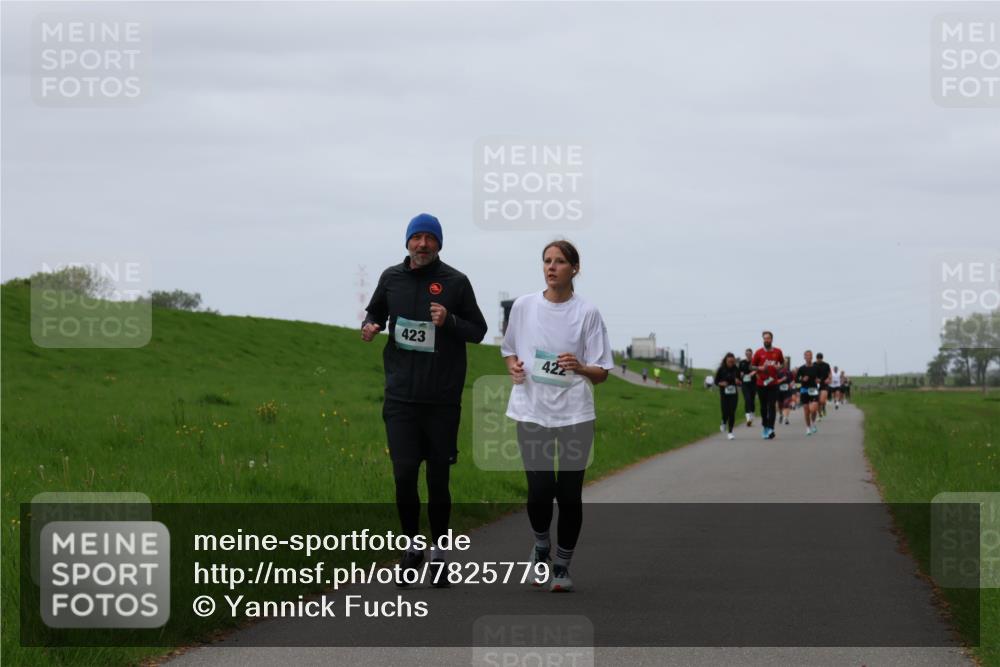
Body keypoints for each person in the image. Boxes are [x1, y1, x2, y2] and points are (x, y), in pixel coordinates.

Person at [362, 213, 488, 587]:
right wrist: (370, 325)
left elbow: (479, 330)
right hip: (400, 397)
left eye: (429, 238)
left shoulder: (456, 282)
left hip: (441, 399)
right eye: (416, 238)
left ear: (439, 244)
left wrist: (450, 320)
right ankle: (412, 547)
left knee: (437, 480)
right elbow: (376, 311)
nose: (422, 244)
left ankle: (439, 555)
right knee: (403, 476)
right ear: (407, 243)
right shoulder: (391, 278)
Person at [501, 240, 614, 593]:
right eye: (547, 261)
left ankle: (562, 565)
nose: (551, 267)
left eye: (560, 261)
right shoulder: (523, 306)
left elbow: (602, 372)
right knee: (539, 491)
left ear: (574, 268)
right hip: (531, 409)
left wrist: (579, 367)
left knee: (568, 494)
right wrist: (513, 367)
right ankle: (541, 546)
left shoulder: (588, 313)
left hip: (574, 414)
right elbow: (509, 350)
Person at [751, 331, 785, 439]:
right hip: (761, 384)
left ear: (772, 339)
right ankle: (765, 426)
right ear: (763, 340)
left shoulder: (778, 351)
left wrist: (779, 367)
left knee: (772, 406)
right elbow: (751, 366)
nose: (766, 340)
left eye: (768, 338)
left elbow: (783, 363)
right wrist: (760, 368)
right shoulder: (758, 352)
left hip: (773, 383)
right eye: (765, 338)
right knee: (763, 407)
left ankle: (771, 428)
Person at [714, 352, 741, 440]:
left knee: (732, 412)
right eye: (729, 362)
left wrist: (738, 382)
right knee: (725, 411)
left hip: (733, 394)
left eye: (732, 362)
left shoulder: (736, 369)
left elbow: (741, 382)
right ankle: (723, 421)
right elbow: (716, 381)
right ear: (725, 361)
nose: (731, 363)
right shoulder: (721, 369)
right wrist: (721, 383)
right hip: (724, 394)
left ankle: (730, 432)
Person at [795, 350, 821, 435]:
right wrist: (802, 380)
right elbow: (797, 381)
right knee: (806, 411)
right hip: (804, 390)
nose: (808, 357)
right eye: (807, 355)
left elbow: (820, 378)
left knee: (813, 409)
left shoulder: (816, 368)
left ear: (812, 357)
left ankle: (813, 423)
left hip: (813, 390)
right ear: (804, 357)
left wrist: (818, 380)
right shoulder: (801, 368)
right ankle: (808, 428)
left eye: (810, 355)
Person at [738, 348, 756, 427]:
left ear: (752, 354)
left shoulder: (754, 362)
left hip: (753, 383)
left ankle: (752, 414)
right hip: (745, 384)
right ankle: (748, 418)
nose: (748, 355)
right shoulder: (742, 362)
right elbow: (739, 372)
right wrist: (741, 374)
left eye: (749, 354)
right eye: (747, 354)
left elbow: (758, 369)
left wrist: (753, 373)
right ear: (745, 354)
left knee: (752, 400)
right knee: (747, 399)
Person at [776, 358, 794, 425]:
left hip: (787, 391)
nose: (785, 364)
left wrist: (791, 384)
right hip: (779, 391)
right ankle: (781, 414)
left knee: (786, 403)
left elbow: (793, 380)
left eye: (786, 363)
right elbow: (775, 381)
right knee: (780, 405)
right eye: (784, 363)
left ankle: (786, 418)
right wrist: (782, 380)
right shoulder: (777, 372)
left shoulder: (789, 372)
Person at [815, 353, 832, 419]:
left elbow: (830, 373)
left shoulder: (826, 365)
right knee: (818, 401)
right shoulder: (813, 364)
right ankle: (819, 414)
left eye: (820, 359)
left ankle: (823, 407)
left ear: (822, 358)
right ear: (816, 358)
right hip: (815, 384)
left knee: (822, 400)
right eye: (818, 358)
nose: (819, 360)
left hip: (824, 384)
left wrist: (829, 379)